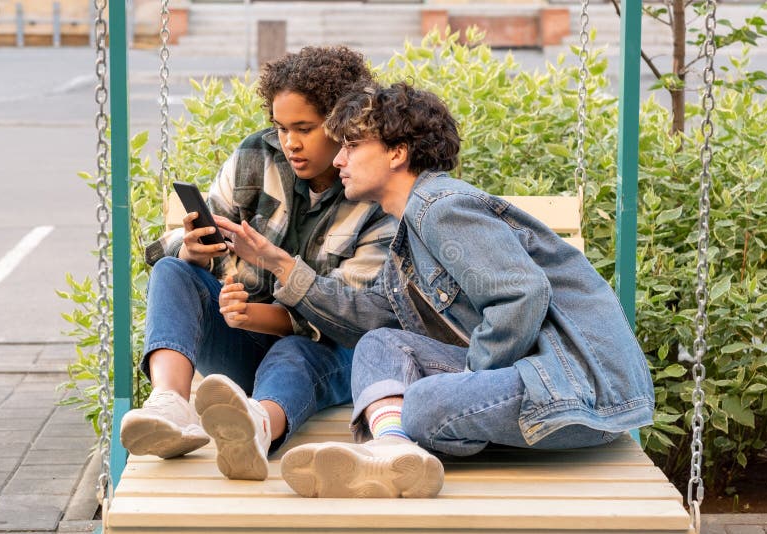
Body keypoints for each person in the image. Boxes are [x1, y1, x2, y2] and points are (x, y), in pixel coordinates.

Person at [244, 82, 654, 498]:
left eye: (351, 145)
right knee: (378, 343)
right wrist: (282, 265)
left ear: (397, 152)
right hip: (534, 379)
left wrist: (469, 379)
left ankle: (394, 446)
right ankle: (393, 450)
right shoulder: (407, 235)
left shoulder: (441, 208)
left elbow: (520, 296)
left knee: (424, 404)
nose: (338, 159)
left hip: (580, 390)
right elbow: (371, 319)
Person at [119, 46, 396, 482]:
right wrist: (193, 250)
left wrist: (257, 314)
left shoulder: (373, 190)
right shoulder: (256, 157)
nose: (290, 143)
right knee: (173, 270)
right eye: (282, 128)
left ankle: (257, 429)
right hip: (242, 337)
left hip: (325, 352)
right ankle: (170, 408)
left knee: (295, 353)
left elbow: (354, 316)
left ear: (343, 125)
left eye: (305, 128)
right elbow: (167, 246)